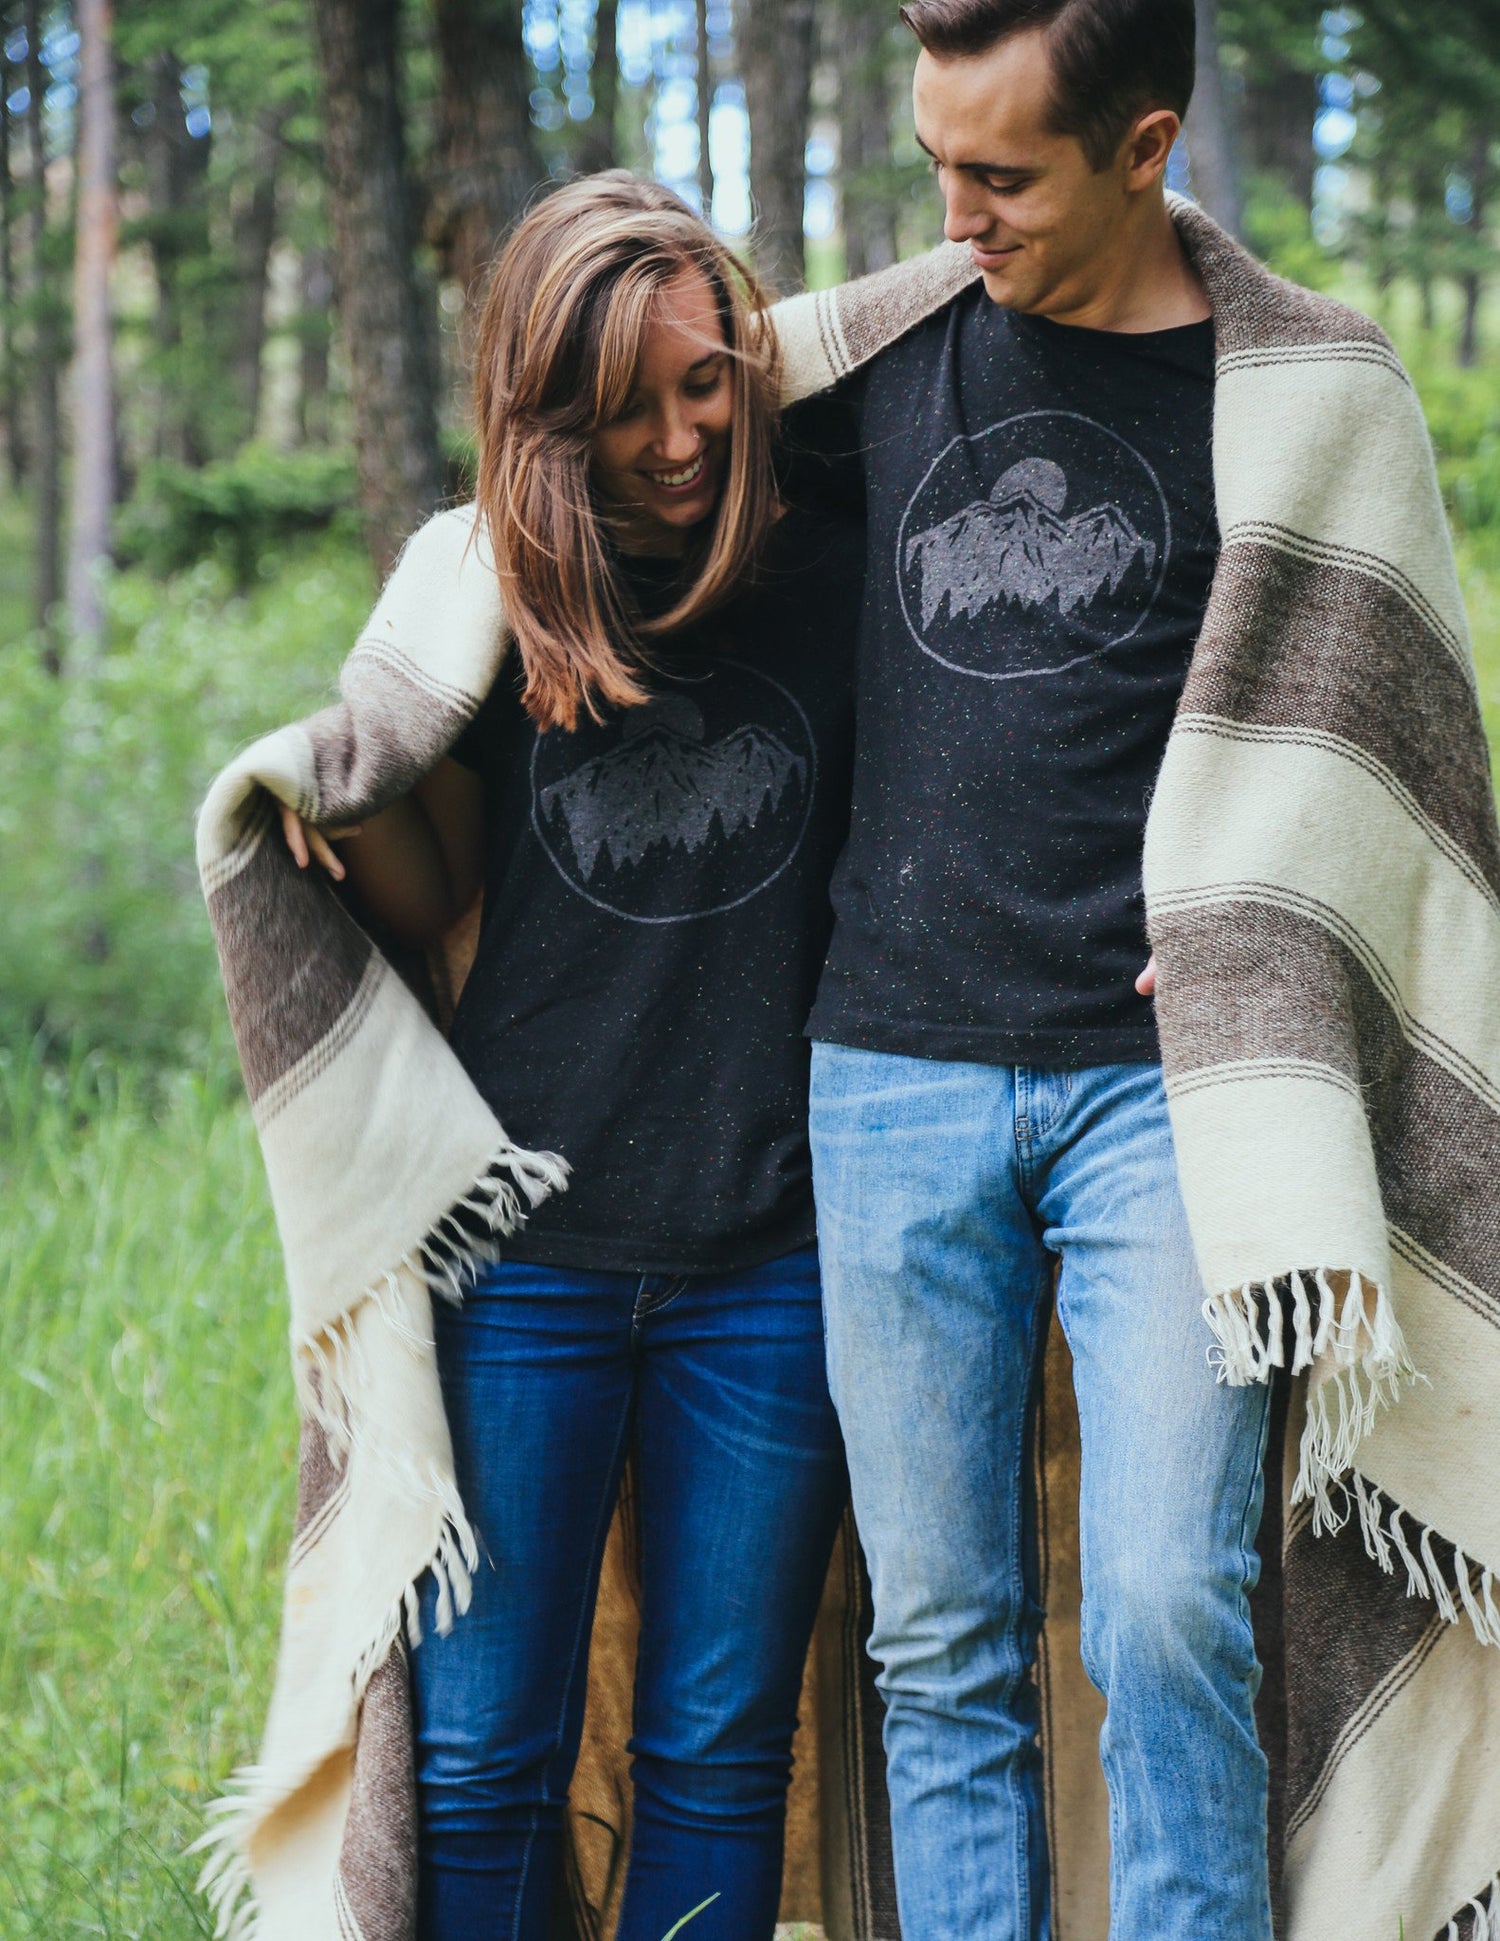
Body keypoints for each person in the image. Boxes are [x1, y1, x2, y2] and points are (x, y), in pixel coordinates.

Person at [280, 173, 859, 1941]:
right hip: (517, 1248)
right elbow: (444, 885)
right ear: (548, 418)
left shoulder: (826, 550)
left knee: (714, 1744)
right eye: (625, 411)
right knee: (475, 1753)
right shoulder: (482, 588)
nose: (680, 438)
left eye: (704, 383)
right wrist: (335, 814)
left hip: (771, 1254)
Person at [788, 2, 1274, 1935]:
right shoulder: (880, 360)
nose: (958, 213)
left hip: (1166, 1095)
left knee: (1166, 1604)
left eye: (1004, 174)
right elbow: (595, 493)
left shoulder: (1290, 389)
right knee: (943, 1645)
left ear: (1144, 148)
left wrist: (1267, 926)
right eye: (937, 166)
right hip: (890, 1074)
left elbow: (1367, 738)